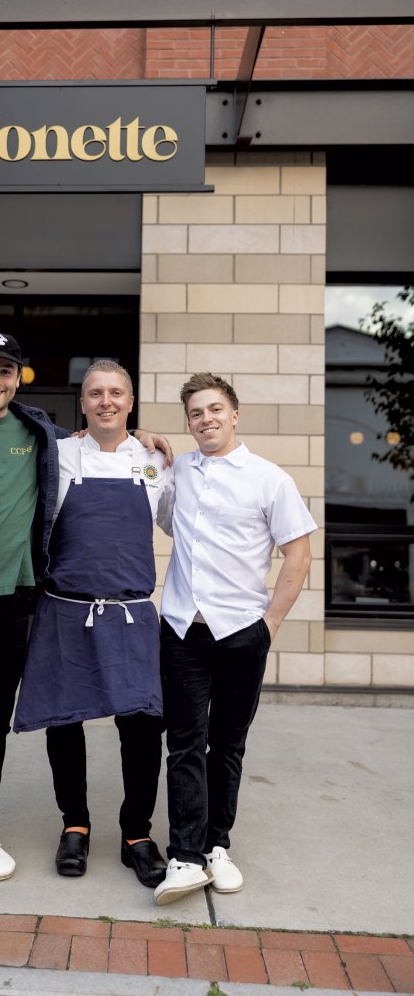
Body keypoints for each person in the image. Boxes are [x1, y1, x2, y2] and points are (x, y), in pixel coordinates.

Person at [0, 335, 168, 894]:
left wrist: (146, 439)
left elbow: (123, 460)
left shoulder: (52, 436)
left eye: (5, 371)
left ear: (19, 379)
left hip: (22, 603)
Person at [154, 372, 316, 907]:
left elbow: (298, 554)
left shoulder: (269, 479)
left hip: (242, 633)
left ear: (235, 414)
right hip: (181, 629)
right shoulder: (180, 474)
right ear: (190, 422)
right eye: (197, 412)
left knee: (227, 744)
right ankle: (184, 855)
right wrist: (153, 458)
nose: (207, 419)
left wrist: (269, 625)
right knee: (183, 743)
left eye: (215, 409)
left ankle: (216, 844)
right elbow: (164, 519)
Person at [14, 360, 172, 890]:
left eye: (117, 393)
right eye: (96, 393)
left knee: (143, 728)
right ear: (81, 405)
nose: (107, 401)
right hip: (65, 609)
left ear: (131, 402)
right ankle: (74, 824)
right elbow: (12, 418)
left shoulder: (156, 462)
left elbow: (184, 525)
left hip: (131, 614)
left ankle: (136, 835)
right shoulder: (55, 455)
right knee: (65, 722)